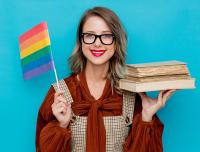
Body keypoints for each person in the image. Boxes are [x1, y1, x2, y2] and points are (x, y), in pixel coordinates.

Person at [35, 7, 176, 152]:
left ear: (116, 42)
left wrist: (146, 117)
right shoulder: (59, 93)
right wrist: (62, 126)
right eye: (90, 35)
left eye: (106, 36)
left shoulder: (131, 93)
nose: (97, 43)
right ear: (81, 41)